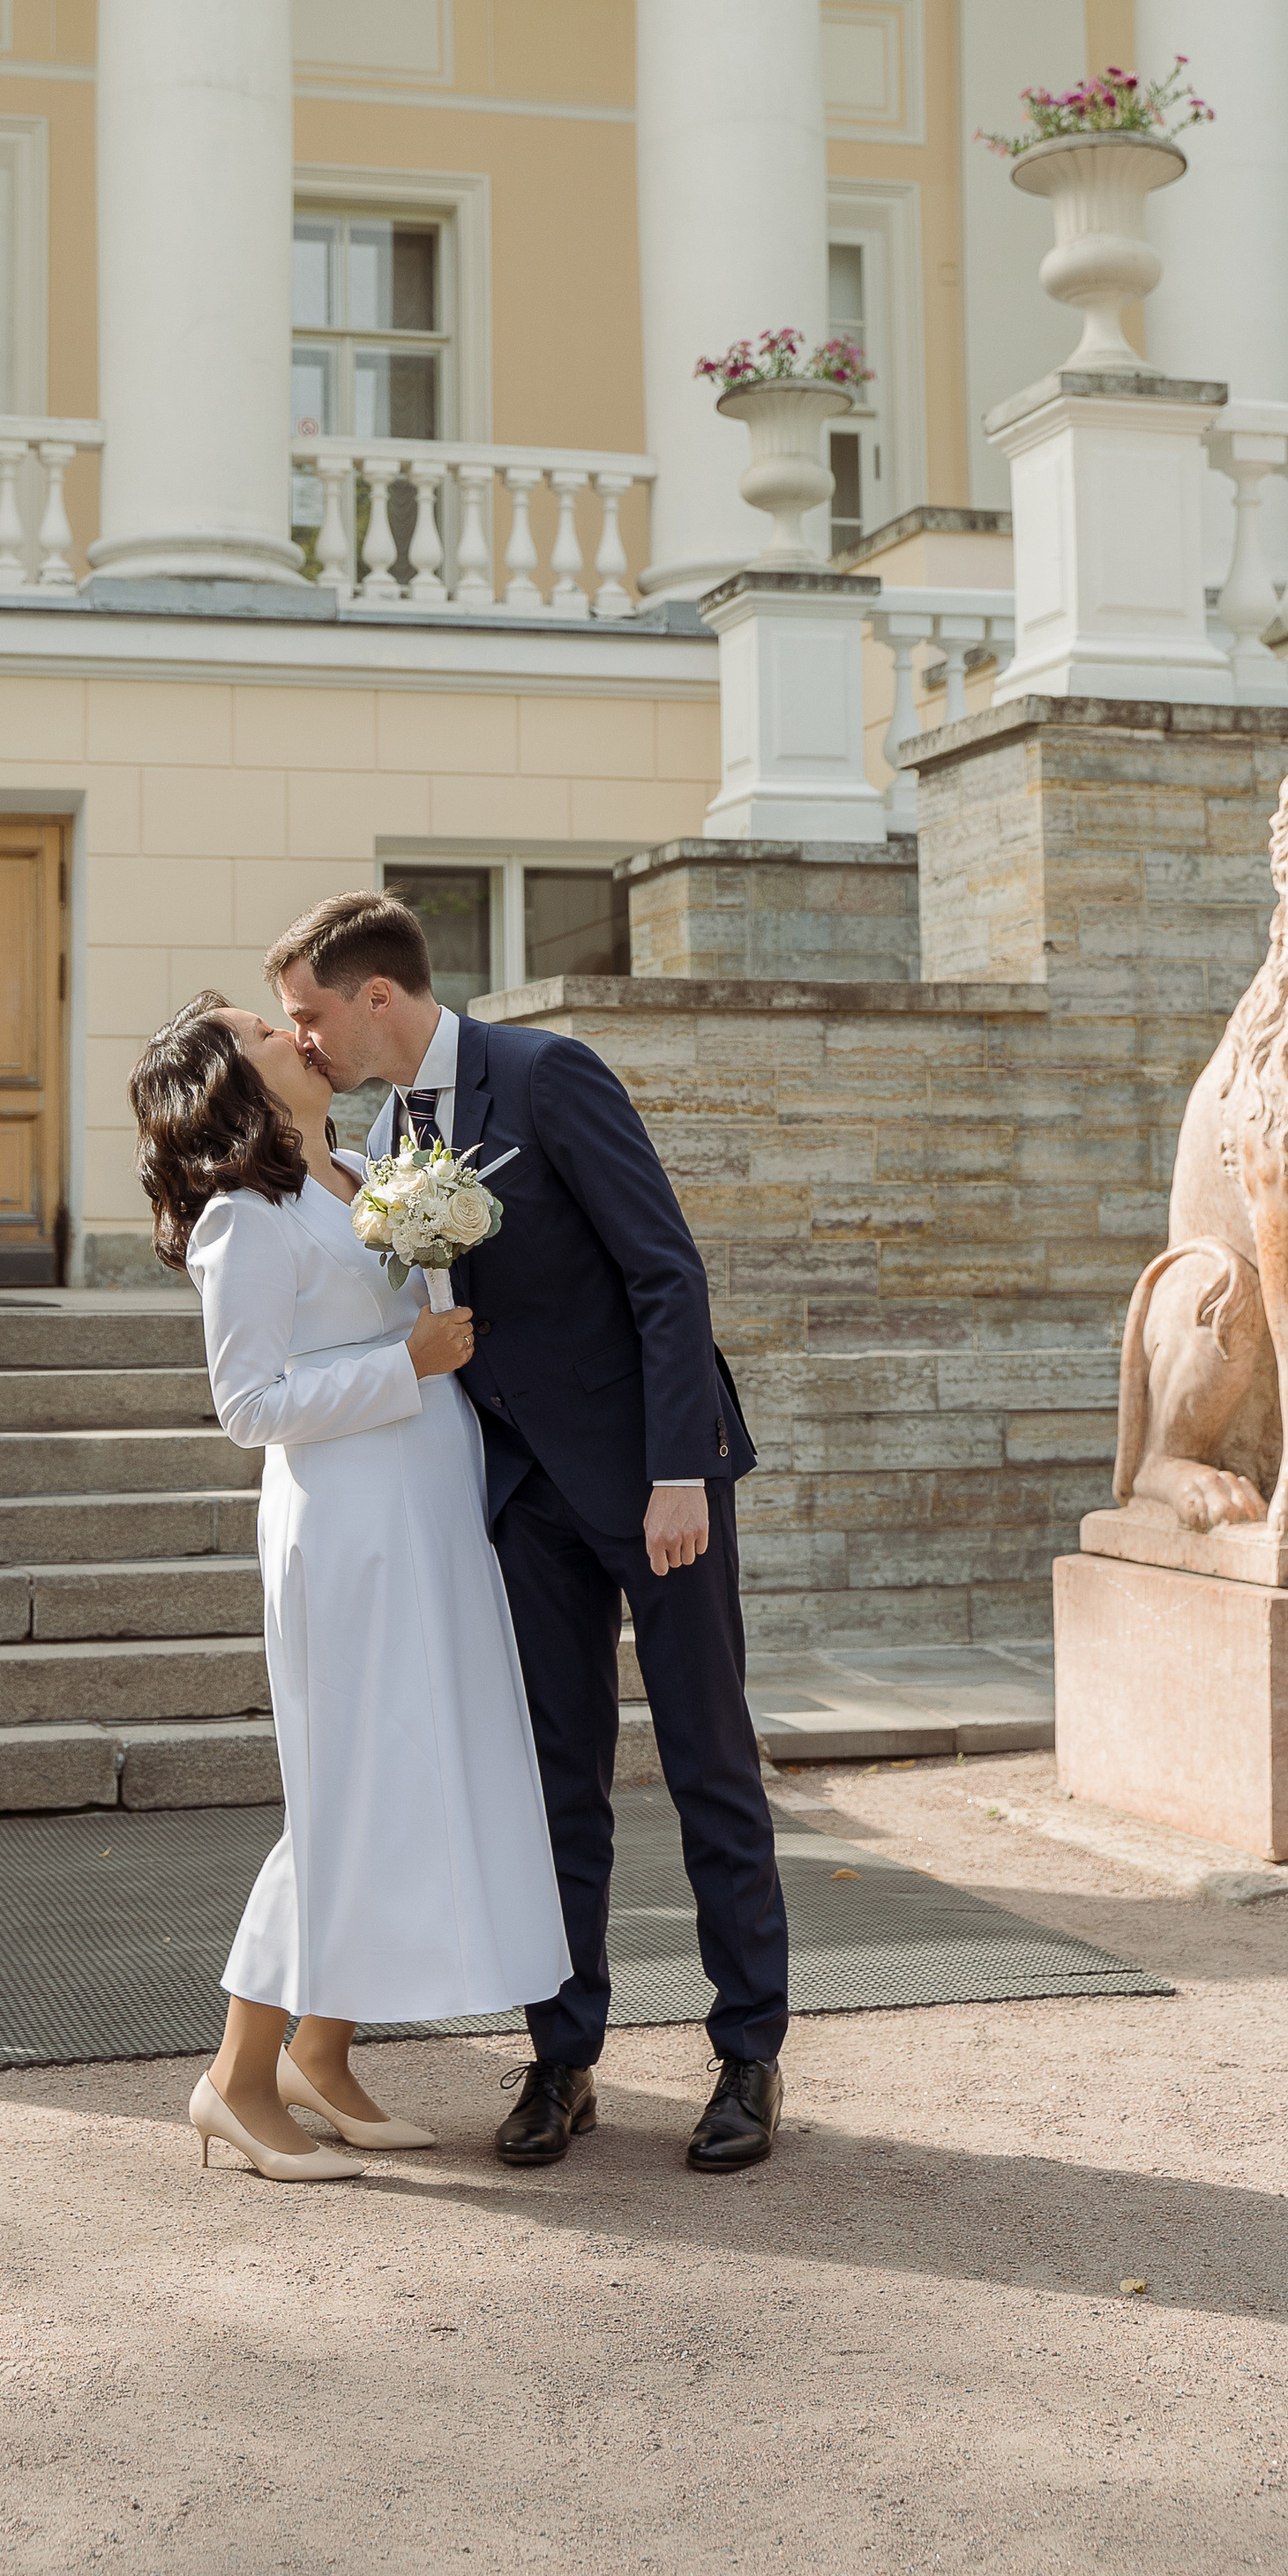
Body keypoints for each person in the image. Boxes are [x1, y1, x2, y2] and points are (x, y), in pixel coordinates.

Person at [263, 891, 790, 2176]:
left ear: (374, 997)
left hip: (654, 1481)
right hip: (521, 1500)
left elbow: (666, 1273)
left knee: (708, 1759)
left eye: (309, 1016)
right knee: (558, 1781)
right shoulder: (390, 1131)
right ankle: (564, 2057)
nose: (306, 1041)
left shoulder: (547, 1075)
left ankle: (748, 2056)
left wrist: (679, 1472)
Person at [128, 992, 571, 2184]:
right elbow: (250, 1409)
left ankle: (321, 2054)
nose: (299, 1035)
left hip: (431, 1505)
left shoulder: (367, 1170)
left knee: (412, 1777)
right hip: (349, 1525)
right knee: (347, 1793)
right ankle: (237, 2076)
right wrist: (404, 1362)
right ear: (239, 1078)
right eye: (268, 1030)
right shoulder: (244, 1217)